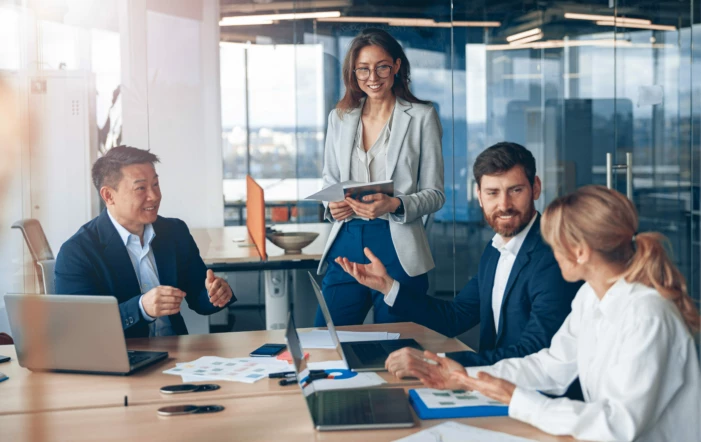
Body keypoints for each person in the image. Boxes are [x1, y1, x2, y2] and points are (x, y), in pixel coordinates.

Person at [414, 185, 700, 441]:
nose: (550, 251)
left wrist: (519, 400)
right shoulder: (591, 295)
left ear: (580, 252)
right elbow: (550, 366)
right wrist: (468, 377)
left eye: (555, 243)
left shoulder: (647, 315)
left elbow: (617, 425)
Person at [336, 142, 581, 392]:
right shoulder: (496, 249)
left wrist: (436, 363)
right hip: (494, 387)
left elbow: (534, 353)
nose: (504, 204)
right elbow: (456, 317)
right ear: (479, 196)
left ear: (535, 188)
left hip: (534, 395)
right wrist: (387, 286)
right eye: (492, 193)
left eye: (515, 190)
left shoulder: (553, 258)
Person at [315, 28, 445, 326]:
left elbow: (435, 194)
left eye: (381, 66)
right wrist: (332, 205)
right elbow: (329, 180)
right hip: (346, 241)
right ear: (353, 72)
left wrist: (393, 204)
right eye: (363, 69)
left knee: (399, 344)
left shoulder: (422, 117)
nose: (372, 77)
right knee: (328, 339)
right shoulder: (340, 117)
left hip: (397, 246)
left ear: (397, 66)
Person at [55, 146, 236, 338]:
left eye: (156, 184)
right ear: (108, 195)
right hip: (120, 358)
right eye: (141, 188)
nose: (155, 196)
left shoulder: (174, 232)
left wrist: (215, 294)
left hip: (177, 353)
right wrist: (141, 308)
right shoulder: (77, 251)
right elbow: (79, 326)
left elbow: (198, 295)